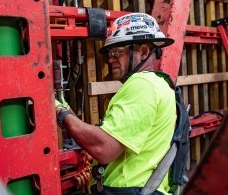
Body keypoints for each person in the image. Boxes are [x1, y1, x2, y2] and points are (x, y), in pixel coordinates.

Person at [55, 13, 177, 195]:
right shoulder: (160, 84)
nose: (110, 59)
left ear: (143, 51)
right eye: (110, 53)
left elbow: (105, 148)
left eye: (117, 51)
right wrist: (67, 110)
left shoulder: (142, 85)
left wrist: (60, 113)